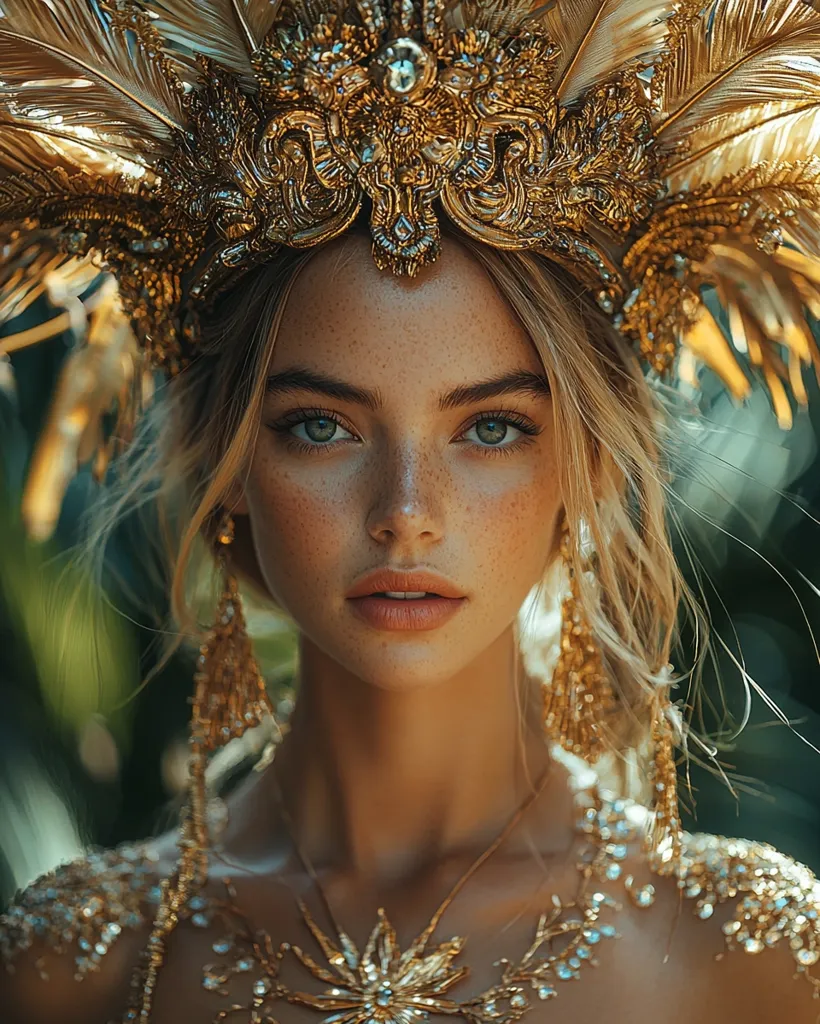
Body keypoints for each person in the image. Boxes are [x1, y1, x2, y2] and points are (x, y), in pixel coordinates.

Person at [1, 1, 820, 1022]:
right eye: (321, 427)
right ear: (228, 459)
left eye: (490, 429)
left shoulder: (755, 965)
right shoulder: (79, 968)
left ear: (589, 462)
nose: (404, 514)